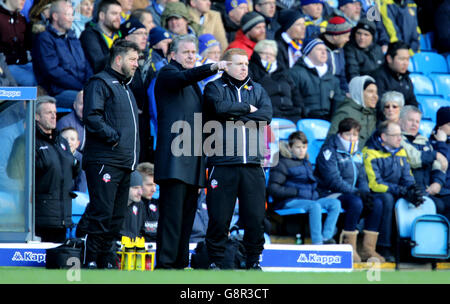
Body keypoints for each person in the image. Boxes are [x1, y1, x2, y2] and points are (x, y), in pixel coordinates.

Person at [153, 34, 228, 269]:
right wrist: (213, 66)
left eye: (192, 52)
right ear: (172, 54)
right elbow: (185, 77)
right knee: (172, 216)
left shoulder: (193, 84)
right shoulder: (167, 73)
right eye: (185, 52)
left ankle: (179, 263)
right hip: (174, 159)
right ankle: (165, 264)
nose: (190, 56)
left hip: (192, 159)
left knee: (186, 217)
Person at [203, 48, 272, 270]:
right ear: (226, 65)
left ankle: (253, 261)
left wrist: (235, 114)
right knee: (219, 218)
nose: (244, 67)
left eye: (246, 64)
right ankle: (215, 261)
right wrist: (248, 109)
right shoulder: (214, 87)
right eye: (239, 63)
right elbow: (218, 108)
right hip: (222, 164)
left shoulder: (258, 89)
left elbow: (266, 116)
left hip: (252, 164)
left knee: (255, 218)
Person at [82, 40, 141, 269]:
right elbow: (92, 117)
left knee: (116, 217)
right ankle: (91, 261)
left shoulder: (126, 87)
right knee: (102, 213)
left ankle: (106, 260)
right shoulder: (100, 82)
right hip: (105, 160)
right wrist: (114, 137)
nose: (136, 64)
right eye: (132, 59)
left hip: (124, 162)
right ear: (118, 59)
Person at [316, 117, 385, 262]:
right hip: (329, 194)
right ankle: (348, 248)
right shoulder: (328, 151)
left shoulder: (357, 152)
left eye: (355, 135)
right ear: (340, 134)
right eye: (348, 134)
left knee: (376, 203)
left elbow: (362, 177)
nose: (352, 138)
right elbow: (333, 180)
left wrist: (364, 192)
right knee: (356, 202)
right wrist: (357, 192)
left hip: (352, 193)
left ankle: (368, 249)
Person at [268, 131, 341, 245]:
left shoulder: (306, 162)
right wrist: (296, 191)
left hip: (310, 199)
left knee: (335, 203)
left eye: (304, 147)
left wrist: (319, 194)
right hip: (289, 201)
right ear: (290, 147)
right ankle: (318, 242)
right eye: (298, 147)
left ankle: (327, 237)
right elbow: (273, 188)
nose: (301, 150)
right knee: (315, 206)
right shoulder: (281, 163)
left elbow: (312, 185)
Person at [362, 120, 420, 262]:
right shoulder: (369, 152)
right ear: (384, 137)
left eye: (400, 135)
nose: (400, 139)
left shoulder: (400, 151)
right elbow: (375, 184)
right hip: (376, 192)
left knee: (417, 198)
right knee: (387, 199)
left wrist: (412, 189)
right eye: (395, 135)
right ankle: (384, 246)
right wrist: (401, 190)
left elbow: (408, 177)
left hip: (395, 190)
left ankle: (412, 248)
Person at [34, 96, 80, 243]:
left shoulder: (61, 141)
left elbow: (72, 170)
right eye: (48, 112)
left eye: (54, 112)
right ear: (36, 116)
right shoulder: (29, 140)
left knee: (56, 262)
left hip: (62, 215)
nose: (54, 115)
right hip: (40, 217)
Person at [32, 0, 93, 109]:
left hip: (81, 88)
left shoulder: (72, 36)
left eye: (72, 14)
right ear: (55, 16)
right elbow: (53, 72)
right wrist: (81, 87)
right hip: (59, 92)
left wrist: (89, 84)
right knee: (90, 101)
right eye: (67, 15)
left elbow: (86, 63)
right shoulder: (44, 38)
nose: (71, 18)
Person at [399, 105, 448, 219]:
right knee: (439, 205)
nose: (414, 124)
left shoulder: (424, 141)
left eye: (417, 121)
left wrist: (437, 183)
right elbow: (413, 159)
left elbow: (438, 165)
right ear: (400, 121)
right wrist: (435, 154)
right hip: (409, 190)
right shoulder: (398, 139)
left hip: (427, 189)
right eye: (410, 120)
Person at [121, 17, 153, 163]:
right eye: (139, 33)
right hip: (127, 121)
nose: (144, 37)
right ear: (127, 37)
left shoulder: (148, 60)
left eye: (145, 33)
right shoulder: (117, 60)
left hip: (145, 121)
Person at [290, 38, 345, 121]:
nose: (324, 52)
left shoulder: (333, 79)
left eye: (325, 50)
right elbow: (293, 100)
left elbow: (338, 103)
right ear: (308, 52)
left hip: (327, 122)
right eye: (319, 49)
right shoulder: (296, 73)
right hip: (304, 120)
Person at [249, 39, 302, 123]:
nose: (268, 56)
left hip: (290, 114)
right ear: (257, 54)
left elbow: (295, 93)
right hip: (266, 115)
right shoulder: (251, 69)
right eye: (264, 53)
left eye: (272, 54)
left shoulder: (283, 72)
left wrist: (298, 109)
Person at [369, 41, 419, 120]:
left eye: (407, 59)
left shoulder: (406, 78)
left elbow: (412, 102)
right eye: (402, 59)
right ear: (389, 59)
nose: (405, 63)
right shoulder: (378, 77)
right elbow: (379, 106)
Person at [328, 75, 378, 149]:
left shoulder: (372, 114)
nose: (375, 96)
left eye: (376, 92)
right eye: (370, 91)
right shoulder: (345, 112)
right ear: (359, 92)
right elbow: (331, 140)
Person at [80, 0, 122, 74]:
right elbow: (99, 65)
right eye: (114, 13)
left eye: (120, 14)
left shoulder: (118, 36)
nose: (119, 18)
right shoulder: (89, 35)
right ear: (102, 15)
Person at [0, 0, 36, 86]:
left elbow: (28, 46)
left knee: (46, 76)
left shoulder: (21, 18)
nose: (24, 0)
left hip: (24, 63)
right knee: (32, 80)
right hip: (6, 67)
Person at [343, 18, 384, 82]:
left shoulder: (378, 49)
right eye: (359, 33)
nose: (362, 37)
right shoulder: (349, 49)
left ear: (372, 37)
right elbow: (353, 74)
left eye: (366, 35)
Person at [319, 15, 352, 93]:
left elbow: (342, 77)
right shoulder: (317, 49)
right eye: (346, 36)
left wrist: (346, 93)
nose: (348, 40)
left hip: (337, 92)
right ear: (335, 37)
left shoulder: (340, 49)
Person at [430, 106, 450, 221]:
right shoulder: (431, 143)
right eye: (449, 124)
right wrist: (441, 143)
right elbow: (443, 163)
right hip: (442, 190)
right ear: (439, 126)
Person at [60, 127, 88, 193]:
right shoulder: (54, 156)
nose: (68, 142)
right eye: (65, 139)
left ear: (77, 144)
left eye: (72, 139)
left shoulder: (80, 159)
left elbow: (82, 183)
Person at [120, 170, 147, 239]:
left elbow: (142, 232)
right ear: (124, 188)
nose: (140, 192)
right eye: (135, 188)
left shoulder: (140, 205)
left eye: (141, 188)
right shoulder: (111, 206)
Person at [136, 162, 159, 241]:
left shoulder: (159, 204)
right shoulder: (129, 206)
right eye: (149, 185)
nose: (154, 189)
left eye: (155, 185)